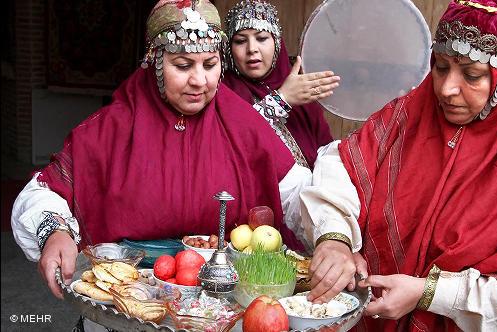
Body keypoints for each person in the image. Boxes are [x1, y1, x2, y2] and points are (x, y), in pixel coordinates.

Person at [11, 0, 311, 328]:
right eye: (183, 65)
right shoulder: (113, 127)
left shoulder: (242, 124)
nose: (200, 81)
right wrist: (52, 232)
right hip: (128, 304)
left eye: (210, 64)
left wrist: (331, 237)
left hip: (219, 313)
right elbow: (45, 191)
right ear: (154, 62)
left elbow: (297, 193)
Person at [301, 0, 497, 331]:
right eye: (441, 67)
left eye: (471, 75)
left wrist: (429, 294)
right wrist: (336, 239)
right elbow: (344, 165)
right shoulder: (409, 117)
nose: (447, 89)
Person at [222, 0, 339, 169]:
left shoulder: (300, 89)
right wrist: (281, 100)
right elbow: (228, 144)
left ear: (277, 43)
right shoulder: (223, 91)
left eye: (262, 38)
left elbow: (325, 152)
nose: (252, 49)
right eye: (240, 41)